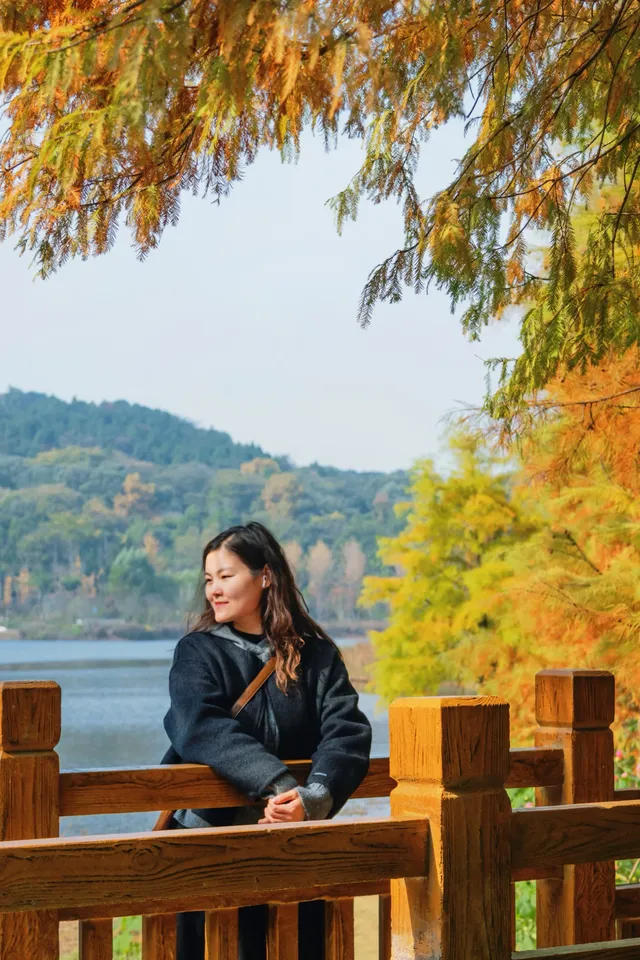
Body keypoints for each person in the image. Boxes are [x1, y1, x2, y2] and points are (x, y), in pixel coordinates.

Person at [161, 521, 372, 960]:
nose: (213, 590)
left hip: (291, 839)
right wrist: (278, 785)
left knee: (299, 945)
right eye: (208, 580)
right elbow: (200, 727)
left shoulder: (315, 654)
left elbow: (346, 731)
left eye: (226, 576)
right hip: (210, 844)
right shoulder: (197, 652)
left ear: (265, 576)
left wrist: (314, 798)